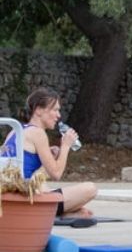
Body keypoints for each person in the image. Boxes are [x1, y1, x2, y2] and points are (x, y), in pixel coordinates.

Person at [2, 88, 97, 218]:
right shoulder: (38, 133)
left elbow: (29, 171)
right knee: (90, 189)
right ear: (39, 110)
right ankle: (57, 212)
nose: (58, 115)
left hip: (10, 194)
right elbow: (56, 174)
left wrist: (49, 155)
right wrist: (65, 146)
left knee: (43, 184)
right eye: (55, 110)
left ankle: (64, 212)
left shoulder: (15, 131)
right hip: (25, 197)